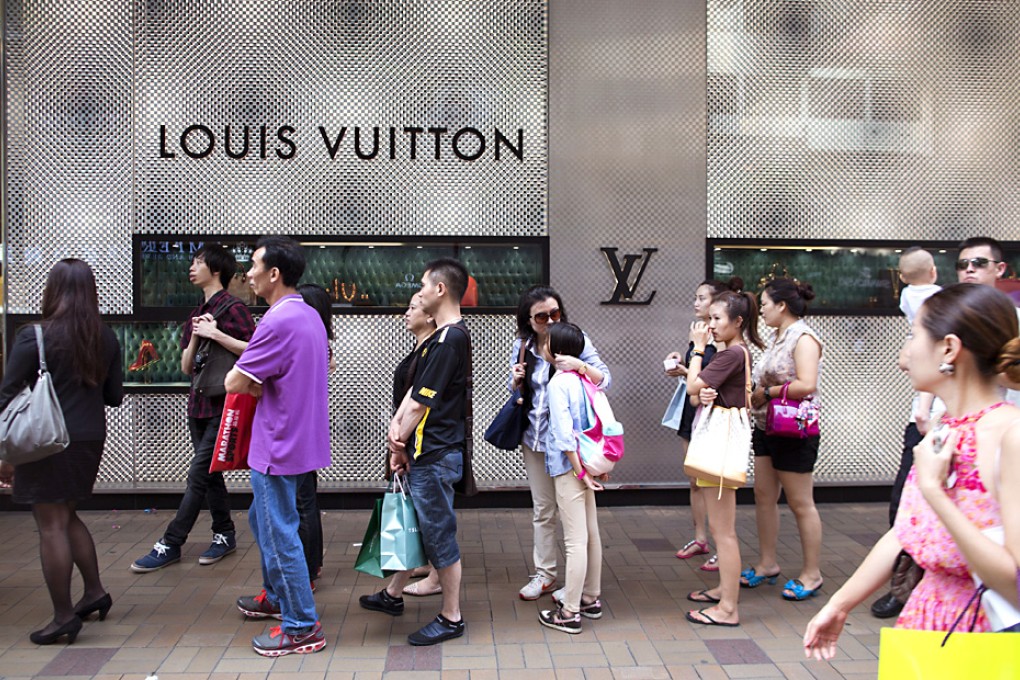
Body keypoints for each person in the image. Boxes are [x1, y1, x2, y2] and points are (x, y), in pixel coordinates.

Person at [804, 283, 1020, 659]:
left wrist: (937, 493)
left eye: (913, 335)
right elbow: (904, 533)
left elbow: (1014, 582)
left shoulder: (1010, 435)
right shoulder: (943, 425)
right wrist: (839, 604)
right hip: (925, 624)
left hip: (987, 635)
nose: (904, 354)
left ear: (949, 348)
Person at [0, 259, 124, 645]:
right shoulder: (105, 336)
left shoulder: (34, 336)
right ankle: (94, 593)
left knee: (50, 524)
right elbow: (114, 397)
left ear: (52, 290)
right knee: (67, 515)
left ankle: (62, 616)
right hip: (89, 438)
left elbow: (7, 393)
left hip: (45, 439)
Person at [360, 257, 476, 646]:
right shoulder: (440, 339)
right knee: (422, 527)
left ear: (440, 290)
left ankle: (452, 616)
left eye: (424, 285)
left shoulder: (450, 339)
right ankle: (393, 595)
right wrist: (399, 441)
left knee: (440, 535)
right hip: (425, 453)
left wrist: (396, 442)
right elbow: (413, 395)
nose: (419, 291)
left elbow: (420, 402)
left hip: (435, 455)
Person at [227, 236, 330, 657]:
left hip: (276, 445)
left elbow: (236, 380)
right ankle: (276, 594)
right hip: (299, 441)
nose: (247, 273)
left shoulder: (276, 320)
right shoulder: (308, 316)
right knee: (262, 519)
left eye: (253, 265)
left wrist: (252, 379)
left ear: (274, 274)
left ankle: (302, 625)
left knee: (278, 531)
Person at [132, 245, 255, 573]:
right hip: (197, 403)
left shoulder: (235, 309)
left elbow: (256, 351)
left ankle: (171, 542)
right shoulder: (196, 313)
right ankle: (224, 534)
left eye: (198, 262)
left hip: (224, 404)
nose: (192, 267)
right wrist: (198, 337)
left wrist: (216, 333)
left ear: (216, 270)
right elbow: (187, 367)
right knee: (211, 475)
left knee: (198, 474)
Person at [508, 286, 611, 601]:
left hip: (569, 445)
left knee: (574, 518)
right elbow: (521, 393)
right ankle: (545, 575)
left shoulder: (574, 340)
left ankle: (577, 584)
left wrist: (578, 365)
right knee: (543, 509)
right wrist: (515, 380)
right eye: (542, 316)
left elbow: (604, 380)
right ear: (528, 320)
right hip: (534, 438)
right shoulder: (523, 346)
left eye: (556, 313)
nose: (551, 320)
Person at [683, 290, 764, 627]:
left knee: (724, 531)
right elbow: (697, 395)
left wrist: (698, 349)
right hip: (716, 445)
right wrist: (702, 388)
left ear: (738, 322)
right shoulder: (730, 353)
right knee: (720, 528)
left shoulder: (732, 354)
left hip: (719, 448)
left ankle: (728, 608)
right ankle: (723, 591)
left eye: (717, 319)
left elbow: (690, 387)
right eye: (709, 318)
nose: (710, 325)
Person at [743, 278, 824, 601]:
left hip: (794, 429)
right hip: (766, 426)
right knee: (763, 495)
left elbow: (807, 384)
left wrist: (766, 393)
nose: (761, 310)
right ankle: (767, 563)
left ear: (782, 306)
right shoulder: (777, 337)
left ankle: (812, 573)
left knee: (801, 502)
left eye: (764, 304)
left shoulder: (803, 337)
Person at [871, 247, 942, 618]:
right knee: (905, 505)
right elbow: (908, 359)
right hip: (928, 423)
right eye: (964, 264)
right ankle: (903, 588)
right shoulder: (935, 301)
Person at [538, 322, 607, 634]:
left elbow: (564, 436)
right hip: (588, 461)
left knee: (575, 540)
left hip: (570, 466)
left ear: (557, 351)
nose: (542, 345)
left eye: (547, 341)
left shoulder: (558, 383)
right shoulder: (583, 379)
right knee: (590, 533)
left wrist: (577, 470)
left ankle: (570, 611)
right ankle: (591, 597)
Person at [664, 278, 734, 572]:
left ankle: (722, 547)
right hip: (692, 411)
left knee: (712, 483)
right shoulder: (698, 333)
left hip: (713, 414)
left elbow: (712, 377)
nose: (696, 303)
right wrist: (682, 365)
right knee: (694, 480)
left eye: (702, 298)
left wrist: (689, 371)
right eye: (696, 298)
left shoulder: (725, 340)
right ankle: (700, 538)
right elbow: (696, 375)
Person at [394, 293, 443, 598]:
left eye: (413, 308)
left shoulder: (433, 351)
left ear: (429, 317)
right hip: (410, 438)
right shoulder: (421, 350)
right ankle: (424, 565)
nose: (406, 312)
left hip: (423, 442)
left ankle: (437, 574)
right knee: (422, 508)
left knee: (434, 512)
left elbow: (419, 404)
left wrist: (399, 442)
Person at [296, 283, 335, 590]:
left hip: (300, 430)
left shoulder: (308, 340)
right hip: (310, 428)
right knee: (307, 497)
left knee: (304, 500)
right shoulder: (322, 340)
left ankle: (308, 570)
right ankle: (314, 564)